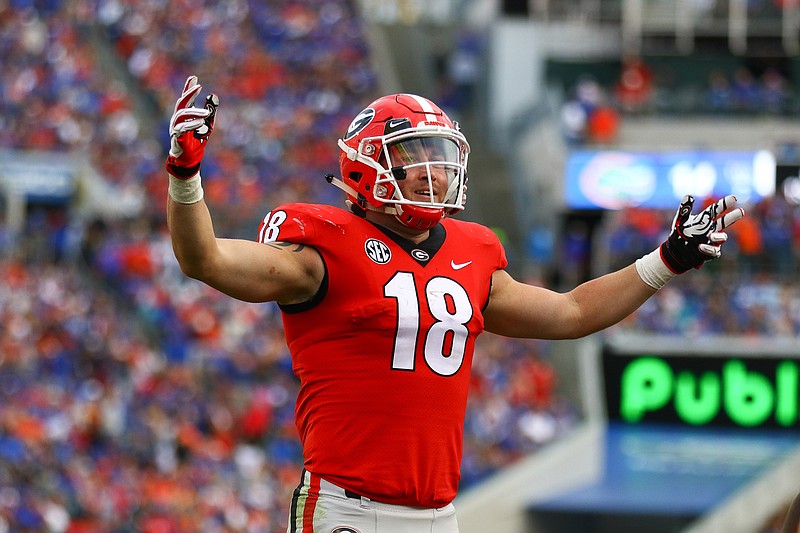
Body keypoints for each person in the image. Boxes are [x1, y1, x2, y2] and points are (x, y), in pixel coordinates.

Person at [165, 76, 744, 533]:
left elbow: (572, 313)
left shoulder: (472, 251)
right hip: (347, 512)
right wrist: (187, 176)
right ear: (368, 163)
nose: (433, 170)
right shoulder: (322, 247)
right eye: (413, 154)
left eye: (438, 155)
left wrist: (665, 260)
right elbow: (206, 261)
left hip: (439, 514)